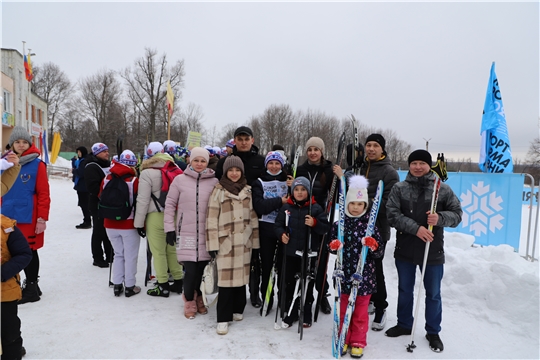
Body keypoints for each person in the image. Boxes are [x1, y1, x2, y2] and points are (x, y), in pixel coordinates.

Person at [385, 149, 462, 353]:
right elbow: (392, 215)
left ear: (429, 166)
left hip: (432, 250)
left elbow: (457, 214)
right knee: (405, 289)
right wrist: (416, 228)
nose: (418, 167)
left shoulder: (442, 189)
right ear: (409, 165)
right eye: (414, 163)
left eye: (422, 163)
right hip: (406, 248)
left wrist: (439, 218)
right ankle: (404, 324)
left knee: (433, 293)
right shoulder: (399, 189)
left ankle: (433, 331)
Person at [328, 175, 383, 358]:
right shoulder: (339, 225)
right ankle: (343, 336)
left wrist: (373, 244)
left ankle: (358, 341)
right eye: (352, 203)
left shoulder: (371, 226)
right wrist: (334, 245)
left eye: (360, 204)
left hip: (364, 276)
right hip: (343, 274)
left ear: (365, 206)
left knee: (360, 311)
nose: (356, 207)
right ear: (346, 204)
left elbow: (378, 253)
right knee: (343, 308)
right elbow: (331, 245)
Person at [206, 156, 260, 335]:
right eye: (231, 170)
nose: (234, 173)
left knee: (240, 281)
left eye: (237, 170)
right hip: (226, 242)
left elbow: (253, 217)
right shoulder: (218, 191)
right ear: (226, 172)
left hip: (244, 241)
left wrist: (255, 242)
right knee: (226, 282)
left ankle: (238, 309)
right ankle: (223, 317)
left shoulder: (248, 190)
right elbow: (212, 219)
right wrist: (213, 243)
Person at [164, 147, 218, 319]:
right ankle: (189, 300)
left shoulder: (214, 181)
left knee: (203, 270)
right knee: (190, 270)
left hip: (206, 233)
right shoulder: (180, 180)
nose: (199, 164)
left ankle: (199, 297)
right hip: (185, 233)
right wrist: (169, 229)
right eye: (196, 160)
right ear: (190, 161)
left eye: (203, 161)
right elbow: (170, 204)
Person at [215, 126, 265, 308]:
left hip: (256, 213)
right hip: (231, 216)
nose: (243, 142)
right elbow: (218, 185)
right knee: (233, 255)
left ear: (252, 140)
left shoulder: (260, 160)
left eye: (247, 139)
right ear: (234, 141)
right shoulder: (225, 162)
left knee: (254, 257)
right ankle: (231, 292)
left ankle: (254, 293)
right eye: (240, 139)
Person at [2, 126, 51, 304]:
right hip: (6, 216)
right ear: (12, 144)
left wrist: (42, 218)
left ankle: (31, 287)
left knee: (29, 251)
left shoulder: (37, 165)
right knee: (9, 252)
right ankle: (21, 285)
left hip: (29, 218)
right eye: (17, 142)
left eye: (24, 142)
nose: (21, 145)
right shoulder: (4, 163)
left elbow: (44, 194)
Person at [274, 176, 330, 328]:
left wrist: (315, 223)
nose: (299, 193)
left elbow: (325, 228)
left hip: (308, 253)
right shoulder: (287, 208)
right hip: (291, 253)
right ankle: (290, 310)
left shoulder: (316, 208)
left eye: (303, 190)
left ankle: (306, 311)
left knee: (307, 283)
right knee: (289, 282)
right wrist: (281, 234)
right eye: (296, 190)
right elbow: (278, 224)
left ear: (308, 191)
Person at [134, 142, 184, 297]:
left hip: (155, 215)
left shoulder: (147, 172)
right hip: (174, 216)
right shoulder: (178, 170)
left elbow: (142, 200)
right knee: (173, 250)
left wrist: (138, 223)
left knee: (158, 252)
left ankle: (162, 284)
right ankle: (178, 281)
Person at [360, 133, 399, 331]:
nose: (371, 149)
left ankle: (381, 306)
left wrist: (364, 206)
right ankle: (369, 301)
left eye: (375, 145)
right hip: (357, 228)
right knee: (361, 269)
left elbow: (390, 204)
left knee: (375, 269)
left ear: (382, 149)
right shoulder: (360, 167)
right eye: (368, 145)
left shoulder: (389, 172)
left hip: (377, 229)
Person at [292, 136, 334, 315]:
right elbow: (295, 191)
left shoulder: (329, 169)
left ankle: (322, 294)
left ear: (321, 151)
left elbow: (338, 190)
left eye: (316, 149)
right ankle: (302, 294)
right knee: (303, 260)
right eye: (310, 149)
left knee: (320, 260)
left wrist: (339, 177)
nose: (313, 153)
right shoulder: (300, 169)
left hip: (320, 216)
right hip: (301, 217)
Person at [252, 151, 289, 316]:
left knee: (283, 266)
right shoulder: (259, 182)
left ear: (282, 165)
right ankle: (267, 297)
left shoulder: (288, 181)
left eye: (277, 163)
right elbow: (260, 207)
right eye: (271, 163)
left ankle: (283, 298)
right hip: (266, 229)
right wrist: (280, 201)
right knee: (267, 265)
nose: (274, 166)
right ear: (266, 164)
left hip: (284, 230)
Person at [101, 150, 142, 298]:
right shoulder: (134, 181)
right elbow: (139, 202)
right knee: (130, 255)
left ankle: (117, 284)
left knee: (118, 254)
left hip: (109, 223)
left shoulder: (107, 178)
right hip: (128, 223)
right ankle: (130, 286)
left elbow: (101, 196)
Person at [1, 214, 32, 360]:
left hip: (4, 292)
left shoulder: (7, 227)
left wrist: (2, 273)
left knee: (9, 332)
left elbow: (24, 254)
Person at [81, 142, 113, 268]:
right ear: (97, 153)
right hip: (97, 203)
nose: (107, 153)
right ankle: (97, 257)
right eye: (104, 151)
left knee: (107, 230)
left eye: (107, 151)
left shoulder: (107, 164)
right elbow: (92, 187)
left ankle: (110, 253)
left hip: (108, 203)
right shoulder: (91, 166)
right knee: (99, 231)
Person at [72, 146, 92, 229]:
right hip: (82, 186)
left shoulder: (84, 161)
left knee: (84, 204)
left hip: (83, 186)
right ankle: (87, 220)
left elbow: (81, 172)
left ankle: (87, 221)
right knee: (85, 203)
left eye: (79, 152)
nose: (78, 154)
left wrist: (74, 171)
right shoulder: (83, 160)